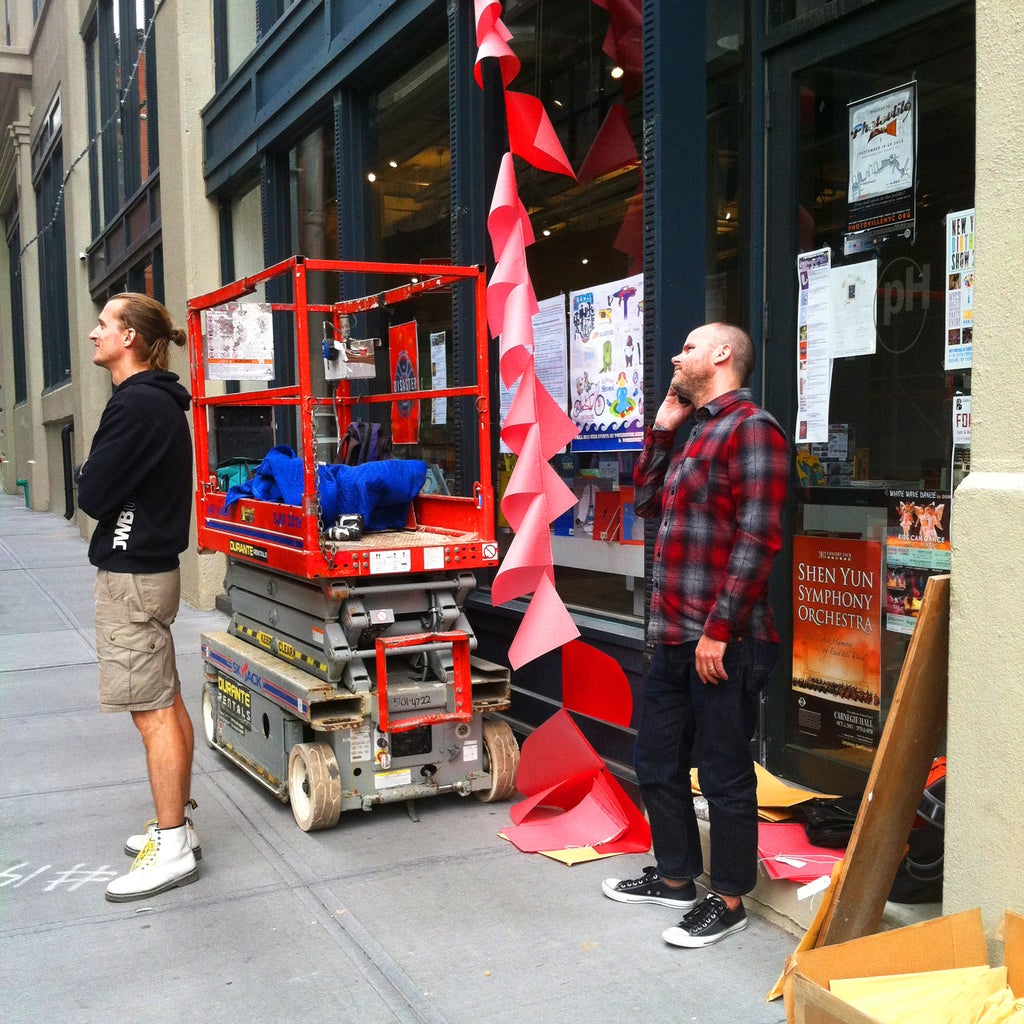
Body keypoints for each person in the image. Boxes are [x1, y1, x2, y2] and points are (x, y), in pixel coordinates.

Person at [601, 322, 789, 947]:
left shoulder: (753, 429)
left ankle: (729, 898)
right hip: (677, 635)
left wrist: (719, 629)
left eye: (686, 347)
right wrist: (660, 430)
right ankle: (677, 877)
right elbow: (648, 502)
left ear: (722, 354)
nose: (675, 356)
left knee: (724, 775)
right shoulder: (694, 431)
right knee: (654, 760)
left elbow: (759, 537)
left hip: (724, 641)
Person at [75, 293, 200, 903]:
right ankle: (180, 824)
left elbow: (93, 492)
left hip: (132, 577)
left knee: (150, 712)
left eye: (104, 324)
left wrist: (87, 476)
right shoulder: (156, 402)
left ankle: (172, 844)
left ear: (129, 338)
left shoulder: (136, 407)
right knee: (166, 698)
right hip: (152, 572)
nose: (94, 332)